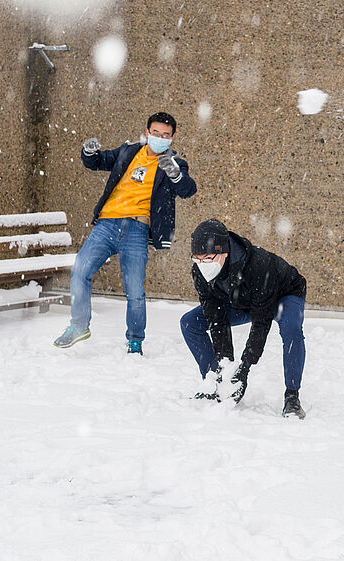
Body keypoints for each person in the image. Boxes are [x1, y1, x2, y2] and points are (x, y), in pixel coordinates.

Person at [54, 112, 197, 354]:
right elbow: (97, 161)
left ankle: (135, 340)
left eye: (166, 135)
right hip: (106, 224)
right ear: (147, 131)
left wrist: (174, 173)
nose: (160, 138)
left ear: (172, 138)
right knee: (80, 269)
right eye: (156, 133)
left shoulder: (174, 163)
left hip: (137, 228)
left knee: (134, 289)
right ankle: (78, 326)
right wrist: (88, 152)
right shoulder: (129, 151)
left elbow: (187, 189)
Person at [180, 219, 307, 419]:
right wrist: (226, 367)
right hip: (241, 300)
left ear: (224, 252)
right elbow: (216, 318)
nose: (203, 265)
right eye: (198, 258)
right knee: (190, 323)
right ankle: (216, 381)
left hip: (283, 294)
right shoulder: (200, 272)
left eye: (209, 258)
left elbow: (261, 322)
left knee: (291, 329)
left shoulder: (258, 265)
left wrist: (244, 368)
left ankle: (292, 396)